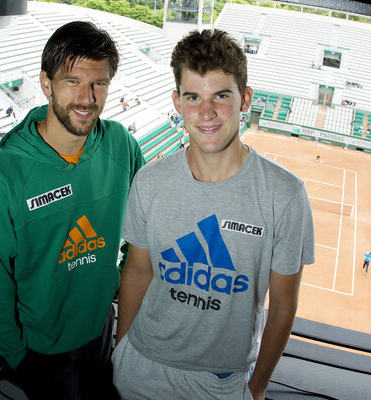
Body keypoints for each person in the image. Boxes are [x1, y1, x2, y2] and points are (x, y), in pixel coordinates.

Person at [112, 29, 315, 400]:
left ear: (245, 99)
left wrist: (257, 387)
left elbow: (284, 304)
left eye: (221, 96)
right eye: (193, 97)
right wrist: (123, 350)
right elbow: (138, 271)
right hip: (141, 366)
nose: (206, 113)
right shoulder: (150, 181)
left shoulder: (284, 195)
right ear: (177, 102)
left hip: (221, 382)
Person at [0, 21, 144, 400]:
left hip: (101, 327)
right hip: (42, 348)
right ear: (46, 83)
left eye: (99, 83)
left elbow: (143, 226)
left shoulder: (122, 145)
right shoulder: (3, 175)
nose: (87, 98)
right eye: (72, 81)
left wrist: (119, 280)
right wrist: (18, 355)